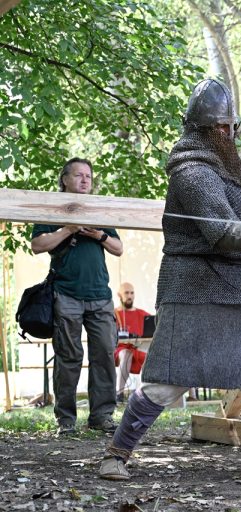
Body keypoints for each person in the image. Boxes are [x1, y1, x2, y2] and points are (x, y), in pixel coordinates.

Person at [98, 78, 241, 480]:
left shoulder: (233, 172)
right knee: (169, 378)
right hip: (196, 286)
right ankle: (116, 455)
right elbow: (222, 231)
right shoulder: (192, 173)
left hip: (239, 283)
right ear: (204, 130)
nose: (229, 134)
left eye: (231, 127)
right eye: (221, 128)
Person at [31, 157, 123, 436]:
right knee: (69, 358)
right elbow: (37, 245)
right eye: (79, 175)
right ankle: (66, 420)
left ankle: (102, 417)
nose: (85, 180)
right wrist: (68, 229)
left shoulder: (99, 210)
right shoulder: (51, 208)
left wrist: (99, 236)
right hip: (66, 294)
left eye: (88, 176)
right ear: (65, 180)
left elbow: (118, 248)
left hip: (100, 296)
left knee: (105, 356)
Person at [114, 282, 151, 402]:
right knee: (126, 354)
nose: (129, 296)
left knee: (151, 356)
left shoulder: (142, 314)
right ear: (119, 295)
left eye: (131, 293)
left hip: (138, 348)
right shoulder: (114, 314)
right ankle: (119, 394)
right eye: (126, 293)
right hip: (119, 349)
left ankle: (143, 395)